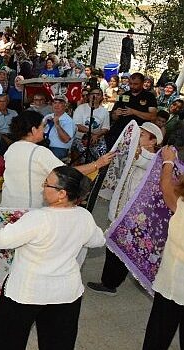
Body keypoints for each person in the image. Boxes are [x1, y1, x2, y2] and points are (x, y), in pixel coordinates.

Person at [0, 166, 105, 349]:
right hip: (65, 292)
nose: (43, 187)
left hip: (28, 291)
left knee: (5, 340)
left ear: (62, 194)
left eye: (47, 184)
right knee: (58, 342)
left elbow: (0, 238)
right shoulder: (84, 217)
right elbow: (98, 240)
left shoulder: (39, 218)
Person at [87, 122, 163, 295]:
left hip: (135, 214)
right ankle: (112, 280)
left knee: (118, 247)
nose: (138, 138)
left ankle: (110, 283)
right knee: (118, 246)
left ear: (152, 142)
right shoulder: (140, 154)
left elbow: (140, 158)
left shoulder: (152, 158)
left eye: (142, 135)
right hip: (125, 210)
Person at [1, 110, 114, 208]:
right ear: (34, 130)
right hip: (30, 210)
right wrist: (98, 164)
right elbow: (66, 173)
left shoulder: (12, 148)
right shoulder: (38, 152)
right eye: (42, 127)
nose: (44, 130)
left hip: (7, 206)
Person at [142, 146, 184, 349]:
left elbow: (166, 187)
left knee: (158, 334)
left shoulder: (181, 207)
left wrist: (168, 161)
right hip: (172, 284)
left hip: (172, 286)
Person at [106, 72, 157, 150]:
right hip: (120, 132)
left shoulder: (149, 97)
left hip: (138, 134)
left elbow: (153, 116)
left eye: (136, 84)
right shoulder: (123, 95)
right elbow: (113, 116)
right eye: (130, 84)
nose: (132, 86)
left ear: (142, 83)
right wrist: (116, 113)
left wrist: (134, 112)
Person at [72, 88, 110, 163]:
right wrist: (92, 134)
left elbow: (105, 128)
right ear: (89, 96)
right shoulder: (80, 108)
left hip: (97, 138)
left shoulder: (104, 111)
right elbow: (77, 125)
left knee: (101, 153)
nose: (95, 96)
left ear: (101, 97)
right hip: (81, 138)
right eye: (93, 94)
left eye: (98, 94)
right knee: (82, 153)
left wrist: (96, 136)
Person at [43, 95, 76, 159]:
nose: (56, 105)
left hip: (59, 149)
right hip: (44, 146)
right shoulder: (48, 116)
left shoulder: (68, 121)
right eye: (55, 103)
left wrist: (57, 125)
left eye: (60, 103)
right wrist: (43, 125)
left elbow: (66, 140)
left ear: (65, 106)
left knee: (47, 158)